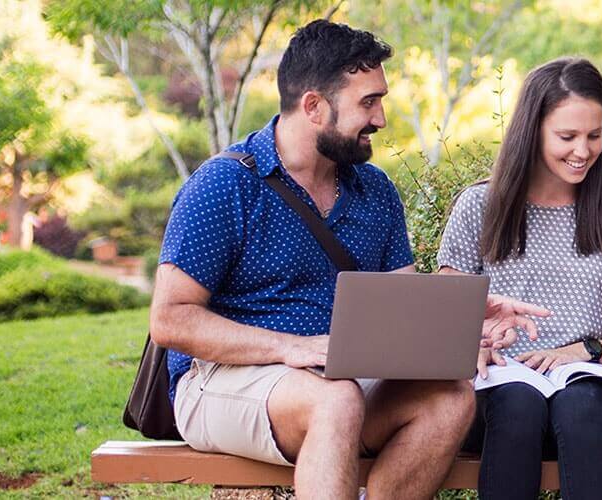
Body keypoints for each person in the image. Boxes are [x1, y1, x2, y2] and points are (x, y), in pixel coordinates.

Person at [148, 20, 546, 499]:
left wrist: (463, 325)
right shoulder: (224, 185)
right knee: (335, 401)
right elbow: (171, 320)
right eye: (369, 102)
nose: (380, 119)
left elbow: (404, 308)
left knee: (448, 398)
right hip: (222, 382)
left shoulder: (374, 190)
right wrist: (290, 348)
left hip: (340, 382)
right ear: (314, 106)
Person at [435, 57, 602, 500]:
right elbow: (444, 325)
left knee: (579, 404)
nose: (583, 150)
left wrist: (582, 351)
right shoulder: (478, 208)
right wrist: (474, 343)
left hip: (590, 394)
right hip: (497, 396)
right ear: (532, 130)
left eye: (594, 136)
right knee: (518, 402)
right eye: (567, 136)